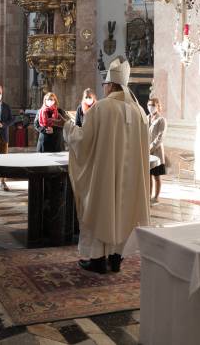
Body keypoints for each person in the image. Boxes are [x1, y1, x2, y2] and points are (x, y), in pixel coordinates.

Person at [60, 56, 150, 274]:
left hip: (106, 176)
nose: (104, 88)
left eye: (105, 84)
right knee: (124, 212)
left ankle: (98, 260)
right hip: (131, 180)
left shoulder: (102, 108)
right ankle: (117, 258)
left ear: (110, 84)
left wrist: (67, 125)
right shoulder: (140, 112)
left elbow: (83, 141)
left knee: (102, 210)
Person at [147, 98, 167, 203]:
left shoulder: (161, 120)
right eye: (149, 104)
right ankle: (149, 195)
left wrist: (151, 147)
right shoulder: (146, 118)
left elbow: (160, 137)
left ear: (158, 106)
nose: (151, 107)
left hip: (157, 151)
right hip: (146, 151)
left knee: (156, 176)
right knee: (148, 175)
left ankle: (156, 196)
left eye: (153, 105)